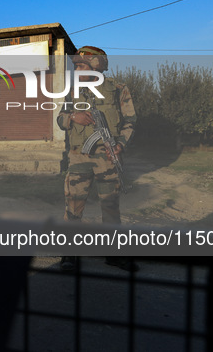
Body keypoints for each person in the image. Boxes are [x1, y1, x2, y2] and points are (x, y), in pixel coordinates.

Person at [57, 46, 137, 272]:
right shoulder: (72, 91)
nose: (77, 70)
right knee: (73, 207)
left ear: (97, 65)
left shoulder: (117, 89)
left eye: (81, 66)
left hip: (108, 158)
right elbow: (60, 119)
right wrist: (73, 116)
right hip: (78, 157)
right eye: (76, 67)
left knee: (110, 207)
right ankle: (69, 254)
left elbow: (131, 121)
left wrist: (120, 144)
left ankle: (114, 254)